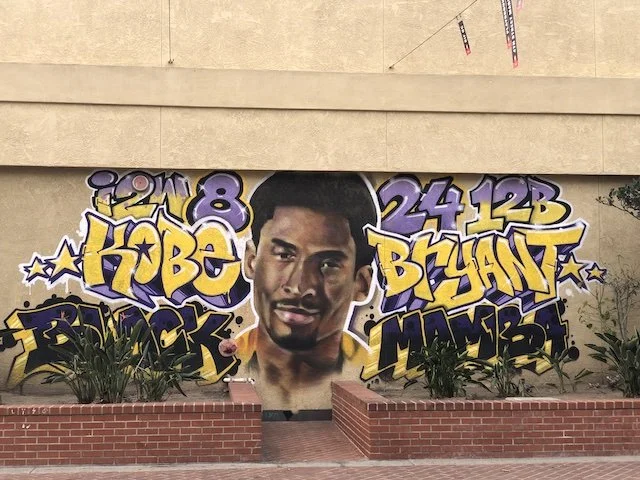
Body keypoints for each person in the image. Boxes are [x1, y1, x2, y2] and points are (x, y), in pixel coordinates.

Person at [235, 171, 379, 407]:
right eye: (284, 255)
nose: (298, 286)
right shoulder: (222, 363)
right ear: (251, 262)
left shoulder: (372, 368)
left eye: (328, 264)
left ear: (361, 283)